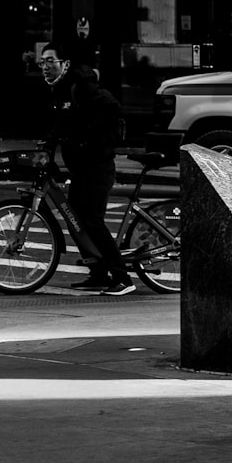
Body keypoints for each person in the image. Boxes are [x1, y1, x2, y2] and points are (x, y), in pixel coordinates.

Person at [39, 41, 135, 296]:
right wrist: (49, 143)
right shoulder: (59, 91)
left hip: (97, 164)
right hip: (81, 166)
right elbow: (62, 125)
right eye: (42, 62)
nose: (45, 66)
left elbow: (112, 109)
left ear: (65, 64)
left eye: (51, 61)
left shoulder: (81, 86)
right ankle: (98, 273)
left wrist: (88, 138)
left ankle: (123, 277)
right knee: (75, 219)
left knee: (91, 220)